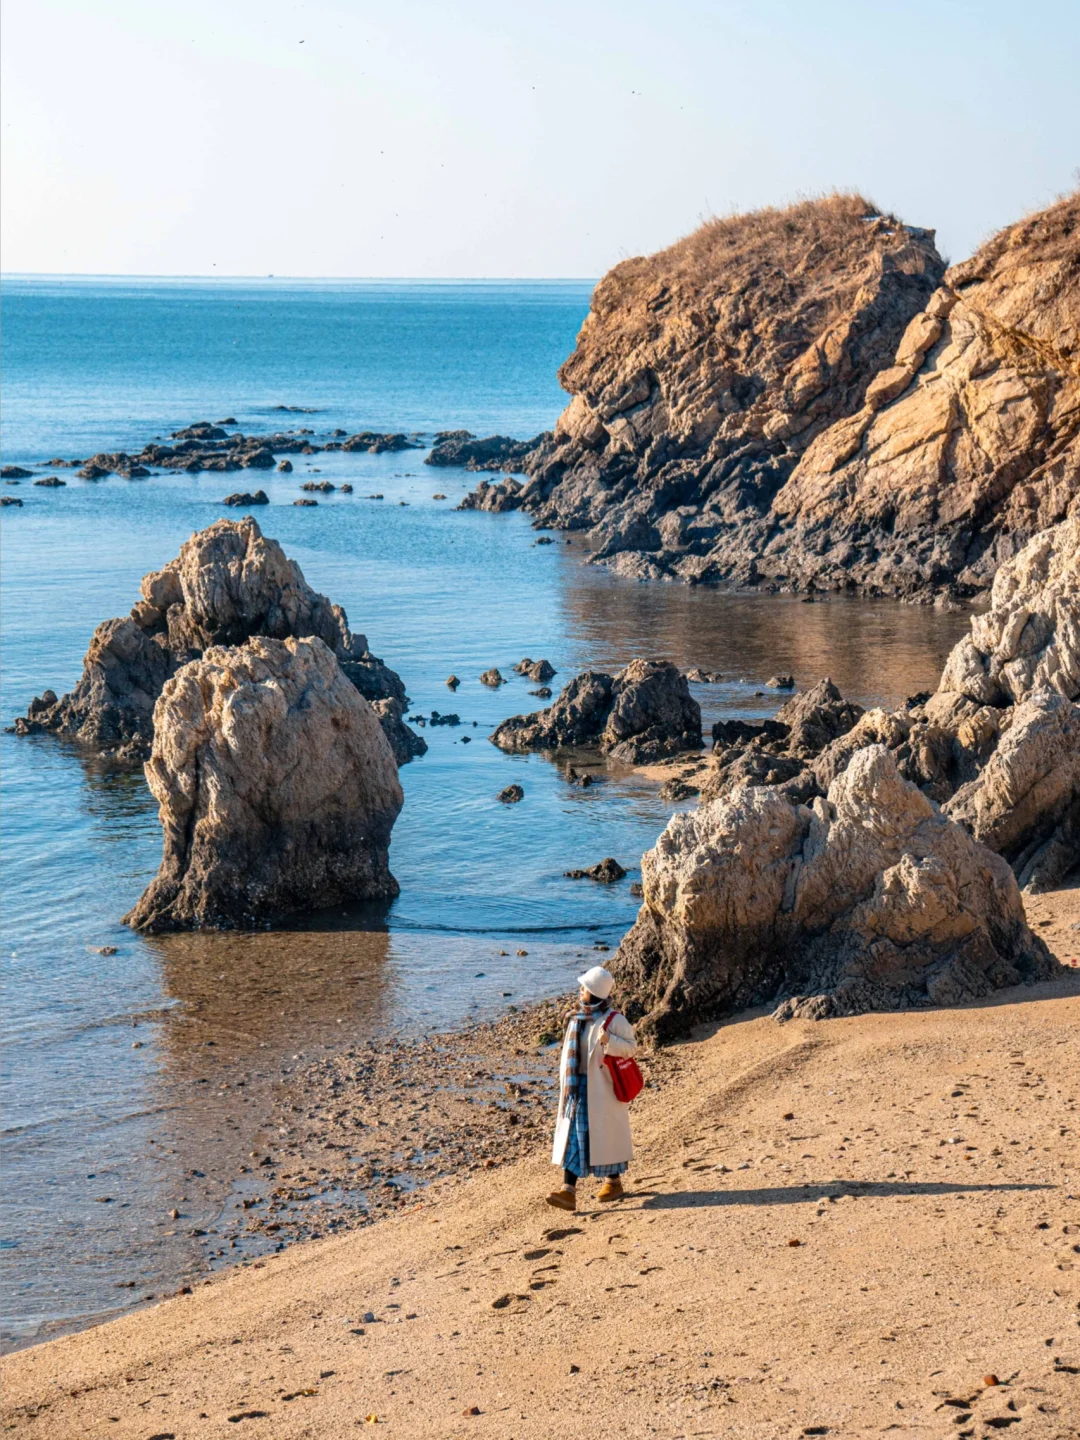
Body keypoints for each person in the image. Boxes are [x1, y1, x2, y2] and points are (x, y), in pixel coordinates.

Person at [546, 964, 637, 1211]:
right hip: (576, 1090)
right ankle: (568, 1191)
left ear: (594, 992)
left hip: (603, 1090)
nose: (580, 991)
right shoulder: (576, 1018)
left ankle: (614, 1182)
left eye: (584, 988)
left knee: (604, 1138)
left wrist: (610, 1041)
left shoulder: (614, 1020)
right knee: (575, 1137)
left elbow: (631, 1048)